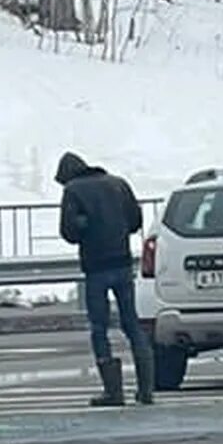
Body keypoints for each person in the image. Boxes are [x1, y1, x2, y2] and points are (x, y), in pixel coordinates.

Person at [56, 151, 154, 406]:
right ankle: (146, 390)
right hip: (122, 263)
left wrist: (85, 225)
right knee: (132, 325)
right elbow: (135, 221)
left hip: (96, 267)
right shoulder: (118, 184)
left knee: (99, 328)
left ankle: (113, 391)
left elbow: (69, 232)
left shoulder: (74, 191)